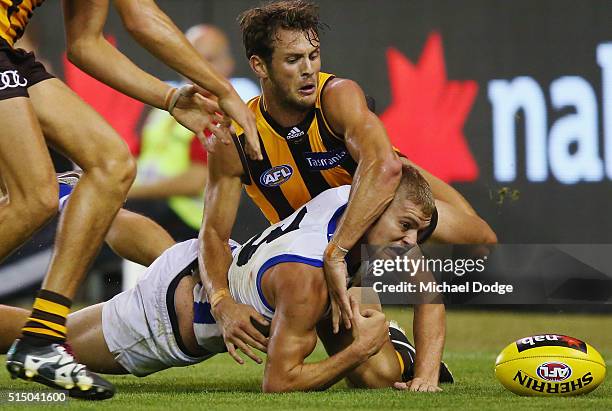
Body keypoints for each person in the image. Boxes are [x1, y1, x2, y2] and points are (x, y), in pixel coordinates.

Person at [198, 0, 496, 373]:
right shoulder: (237, 139)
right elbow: (211, 232)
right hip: (317, 254)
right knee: (378, 377)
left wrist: (338, 251)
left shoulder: (336, 96)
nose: (308, 70)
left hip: (378, 213)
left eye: (313, 55)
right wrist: (221, 299)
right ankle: (400, 345)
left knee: (482, 240)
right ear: (260, 65)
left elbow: (385, 168)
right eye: (293, 60)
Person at [1, 0, 261, 399]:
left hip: (8, 53)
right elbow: (140, 18)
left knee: (111, 164)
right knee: (36, 197)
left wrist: (172, 99)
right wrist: (220, 89)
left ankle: (41, 337)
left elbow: (86, 42)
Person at [1, 164, 450, 392]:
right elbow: (279, 383)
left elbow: (428, 288)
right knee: (38, 337)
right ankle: (73, 198)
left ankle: (77, 195)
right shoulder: (307, 279)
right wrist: (361, 348)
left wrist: (427, 374)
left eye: (418, 231)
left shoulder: (351, 198)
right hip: (160, 323)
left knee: (167, 254)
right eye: (406, 226)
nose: (411, 242)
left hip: (206, 264)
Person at [128, 24, 260, 241]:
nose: (196, 67)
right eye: (190, 57)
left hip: (187, 220)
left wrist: (129, 193)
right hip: (149, 206)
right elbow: (134, 158)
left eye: (208, 59)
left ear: (228, 65)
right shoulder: (165, 104)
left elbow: (197, 180)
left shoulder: (223, 111)